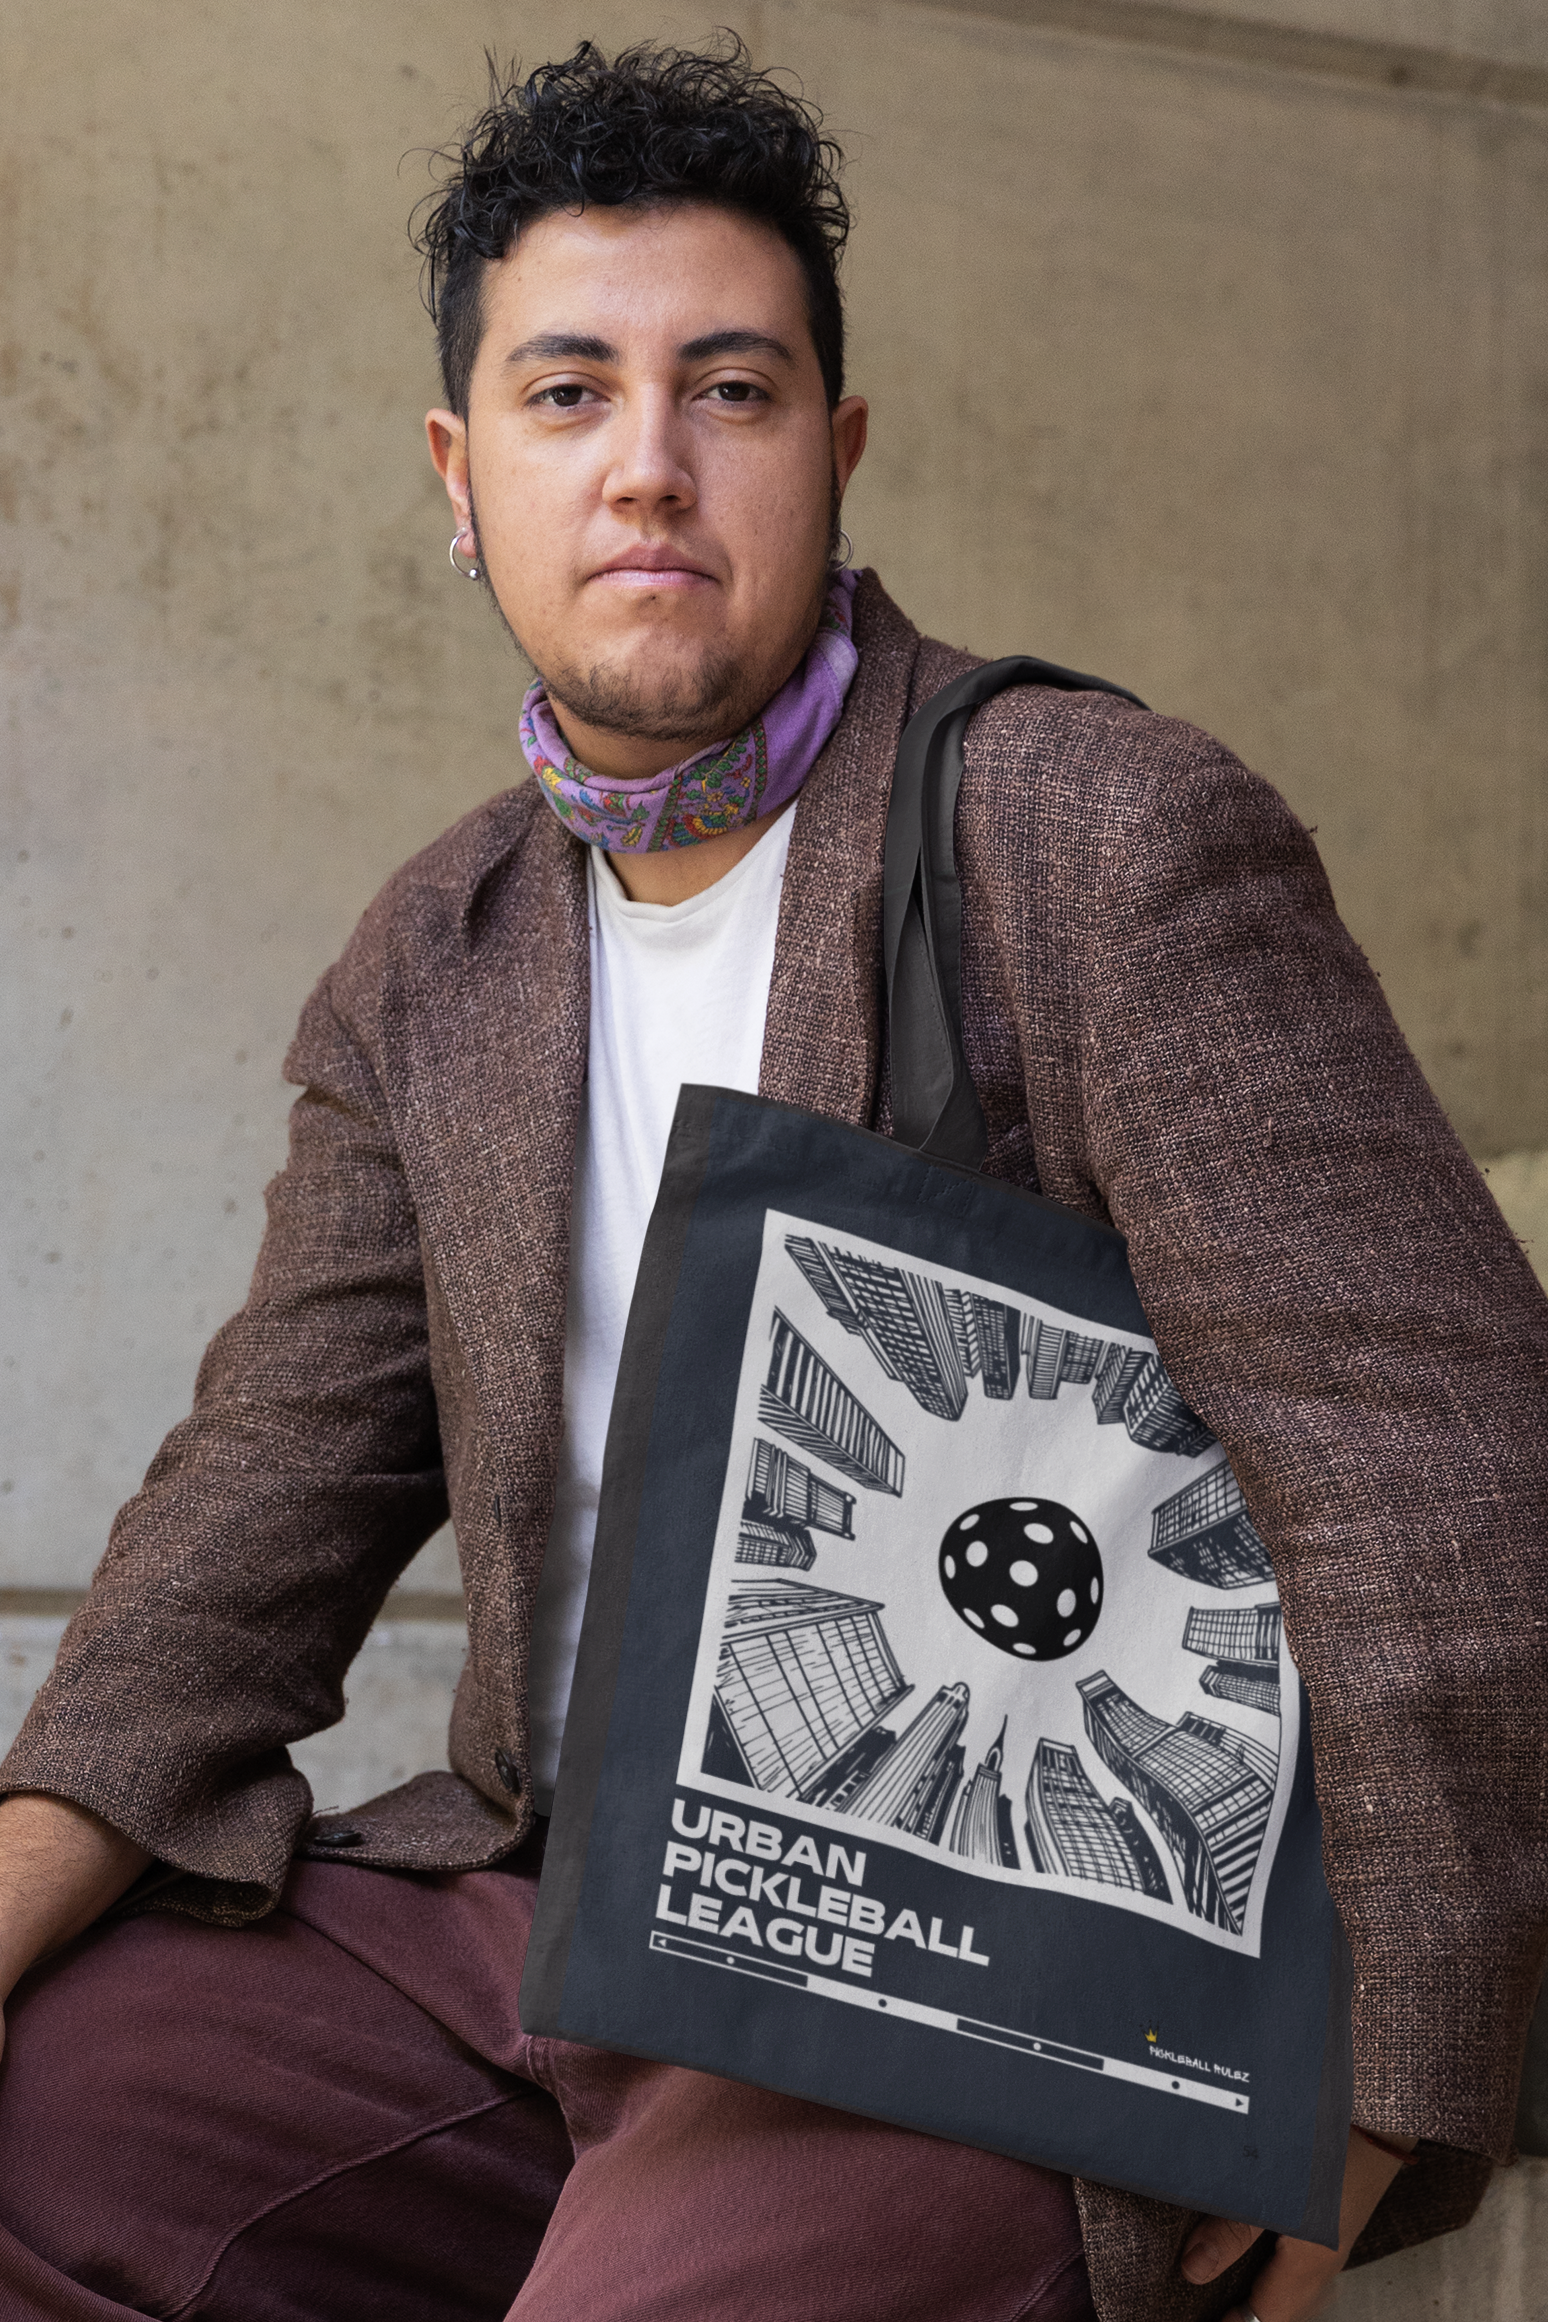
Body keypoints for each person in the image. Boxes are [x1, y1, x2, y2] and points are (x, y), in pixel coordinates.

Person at [0, 37, 1543, 2322]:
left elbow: (1450, 1473)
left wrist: (1370, 2111)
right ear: (458, 471)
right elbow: (247, 1531)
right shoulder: (438, 957)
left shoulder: (1091, 836)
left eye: (728, 389)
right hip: (545, 1901)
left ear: (835, 446)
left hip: (971, 1925)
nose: (648, 468)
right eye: (566, 395)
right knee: (54, 2122)